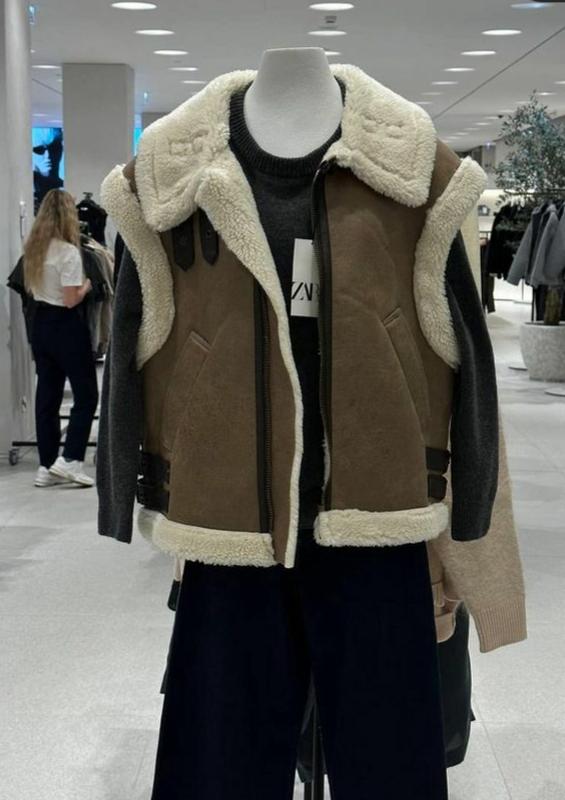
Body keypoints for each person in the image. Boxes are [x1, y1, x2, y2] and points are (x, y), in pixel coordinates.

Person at [23, 188, 98, 488]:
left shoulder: (33, 250)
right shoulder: (68, 253)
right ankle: (71, 459)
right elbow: (70, 300)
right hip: (65, 326)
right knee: (86, 394)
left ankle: (46, 465)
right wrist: (87, 286)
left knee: (47, 396)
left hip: (40, 324)